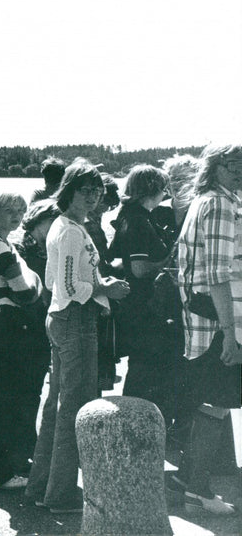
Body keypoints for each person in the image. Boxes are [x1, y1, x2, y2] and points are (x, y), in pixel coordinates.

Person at [25, 159, 130, 514]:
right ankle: (60, 495)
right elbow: (68, 286)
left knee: (58, 406)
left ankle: (41, 487)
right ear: (69, 190)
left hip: (62, 318)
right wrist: (106, 288)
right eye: (86, 190)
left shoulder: (66, 225)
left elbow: (55, 282)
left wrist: (98, 286)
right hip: (75, 320)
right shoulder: (70, 230)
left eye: (98, 190)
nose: (93, 196)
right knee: (75, 407)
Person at [172, 143, 242, 515]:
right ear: (215, 167)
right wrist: (230, 334)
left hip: (207, 320)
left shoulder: (207, 200)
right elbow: (217, 275)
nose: (241, 172)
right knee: (215, 404)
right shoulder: (219, 204)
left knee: (210, 403)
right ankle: (197, 492)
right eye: (234, 165)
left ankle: (189, 479)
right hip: (219, 322)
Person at [0, 192, 49, 490]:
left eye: (20, 210)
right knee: (7, 402)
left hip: (10, 326)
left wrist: (32, 281)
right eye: (9, 211)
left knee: (16, 400)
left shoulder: (5, 245)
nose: (17, 216)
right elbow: (25, 292)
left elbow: (27, 285)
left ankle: (16, 466)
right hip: (9, 326)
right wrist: (35, 282)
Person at [109, 165, 182, 428]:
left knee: (142, 368)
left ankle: (135, 426)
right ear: (151, 189)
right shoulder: (139, 220)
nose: (165, 194)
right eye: (163, 188)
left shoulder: (131, 214)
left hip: (135, 305)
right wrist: (169, 260)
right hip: (143, 307)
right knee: (144, 369)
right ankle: (135, 427)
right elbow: (139, 269)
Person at [83, 173, 121, 391]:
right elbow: (101, 264)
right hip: (97, 298)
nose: (104, 210)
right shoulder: (91, 226)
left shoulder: (79, 222)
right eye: (104, 205)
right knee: (95, 365)